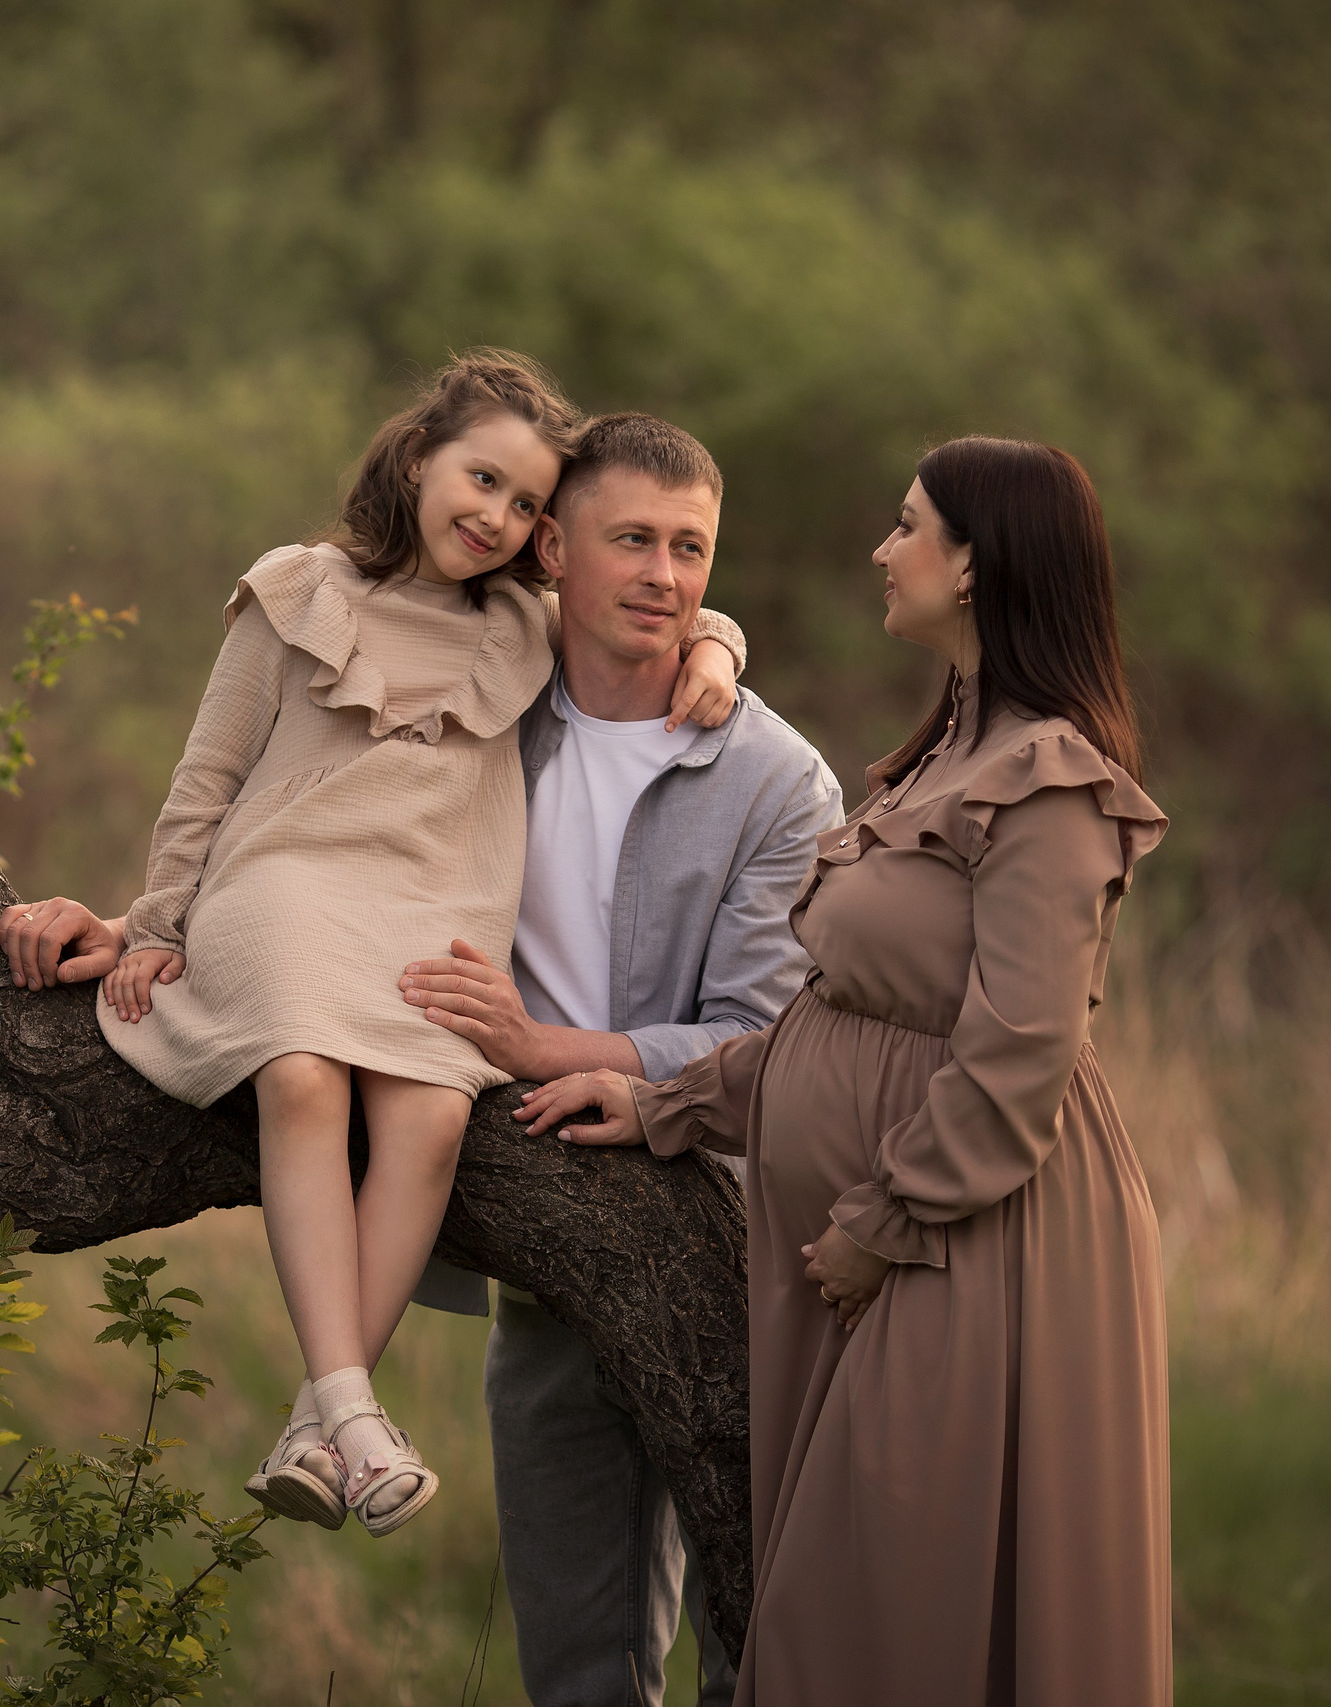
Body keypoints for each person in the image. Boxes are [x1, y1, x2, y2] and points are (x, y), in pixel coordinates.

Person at [0, 351, 747, 1538]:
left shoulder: (521, 625)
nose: (495, 517)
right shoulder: (299, 592)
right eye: (481, 479)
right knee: (302, 1079)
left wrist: (716, 652)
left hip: (425, 908)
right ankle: (355, 1409)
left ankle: (313, 1427)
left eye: (524, 505)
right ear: (416, 459)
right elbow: (207, 778)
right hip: (284, 884)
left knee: (432, 1115)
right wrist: (154, 923)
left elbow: (658, 602)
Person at [522, 436, 1172, 1704]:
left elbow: (1022, 1048)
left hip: (967, 1249)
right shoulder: (945, 752)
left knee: (889, 1606)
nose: (883, 548)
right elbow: (842, 1023)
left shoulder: (1048, 779)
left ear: (974, 565)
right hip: (883, 1245)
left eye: (908, 525)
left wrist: (884, 1220)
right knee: (859, 1611)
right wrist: (667, 1101)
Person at [394, 413, 841, 1707]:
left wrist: (541, 1045)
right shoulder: (479, 712)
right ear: (550, 548)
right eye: (632, 539)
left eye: (691, 548)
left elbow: (768, 1038)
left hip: (735, 1251)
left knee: (763, 1656)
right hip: (547, 1245)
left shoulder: (775, 781)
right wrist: (149, 929)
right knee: (576, 1668)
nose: (663, 574)